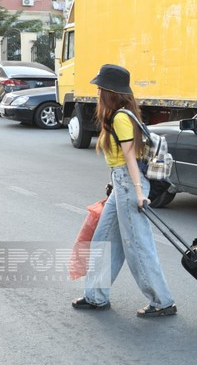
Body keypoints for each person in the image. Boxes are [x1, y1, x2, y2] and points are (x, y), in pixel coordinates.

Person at [72, 64, 177, 317]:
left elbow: (131, 159)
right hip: (122, 183)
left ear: (110, 92)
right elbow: (123, 161)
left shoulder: (120, 117)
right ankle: (96, 296)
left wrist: (139, 193)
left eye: (100, 90)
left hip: (130, 185)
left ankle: (162, 302)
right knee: (104, 239)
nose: (97, 94)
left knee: (137, 246)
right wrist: (116, 185)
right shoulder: (123, 115)